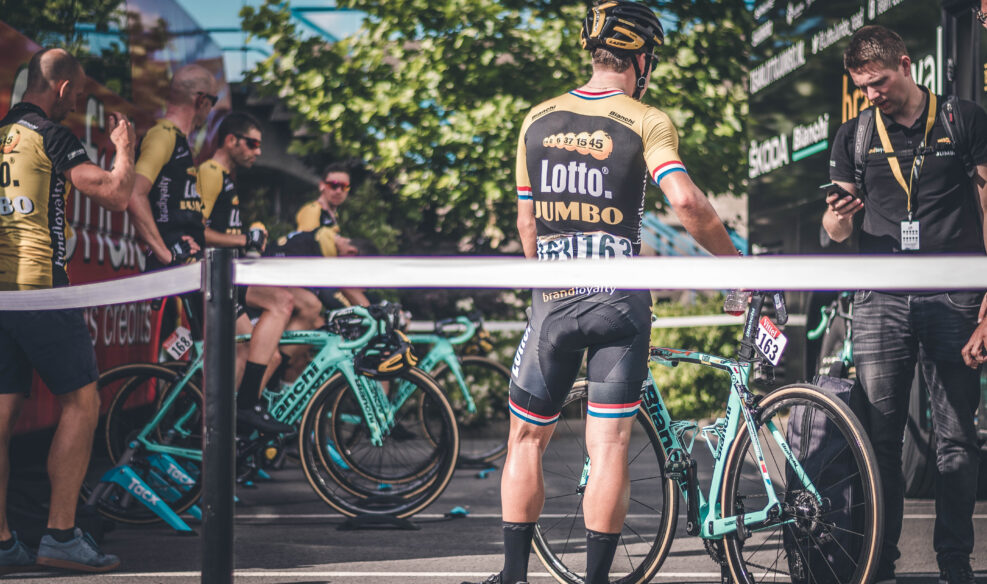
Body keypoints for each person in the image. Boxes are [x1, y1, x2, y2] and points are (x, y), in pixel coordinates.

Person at [468, 3, 739, 583]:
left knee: (525, 438)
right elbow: (686, 201)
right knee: (609, 444)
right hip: (618, 298)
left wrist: (549, 291)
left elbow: (526, 224)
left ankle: (513, 576)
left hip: (554, 300)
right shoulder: (646, 119)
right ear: (641, 61)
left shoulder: (537, 118)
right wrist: (737, 268)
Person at [822, 25, 986, 584]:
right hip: (880, 301)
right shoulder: (854, 135)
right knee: (879, 443)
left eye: (880, 82)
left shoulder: (963, 119)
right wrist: (838, 218)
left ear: (907, 64)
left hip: (954, 296)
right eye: (863, 87)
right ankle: (880, 564)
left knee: (956, 439)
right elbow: (835, 231)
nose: (873, 95)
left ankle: (955, 563)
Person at [0, 48, 135, 572]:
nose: (77, 104)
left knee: (1, 417)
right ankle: (60, 535)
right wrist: (123, 149)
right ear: (60, 88)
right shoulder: (51, 135)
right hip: (41, 292)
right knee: (81, 403)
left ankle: (3, 542)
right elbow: (115, 195)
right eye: (76, 95)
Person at [197, 111, 299, 433]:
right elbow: (196, 231)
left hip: (226, 276)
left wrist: (248, 242)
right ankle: (243, 408)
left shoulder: (226, 178)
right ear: (231, 140)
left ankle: (230, 431)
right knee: (281, 302)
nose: (258, 151)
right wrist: (244, 239)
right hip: (211, 277)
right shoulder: (210, 173)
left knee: (266, 356)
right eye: (252, 144)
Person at [126, 63, 212, 269]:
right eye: (213, 101)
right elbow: (134, 194)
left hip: (184, 264)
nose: (211, 110)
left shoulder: (179, 140)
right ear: (201, 100)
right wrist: (166, 254)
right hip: (170, 269)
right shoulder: (163, 135)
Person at [295, 162, 350, 232]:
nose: (339, 191)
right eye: (334, 185)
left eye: (344, 186)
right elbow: (306, 238)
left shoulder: (333, 214)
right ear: (322, 185)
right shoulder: (312, 210)